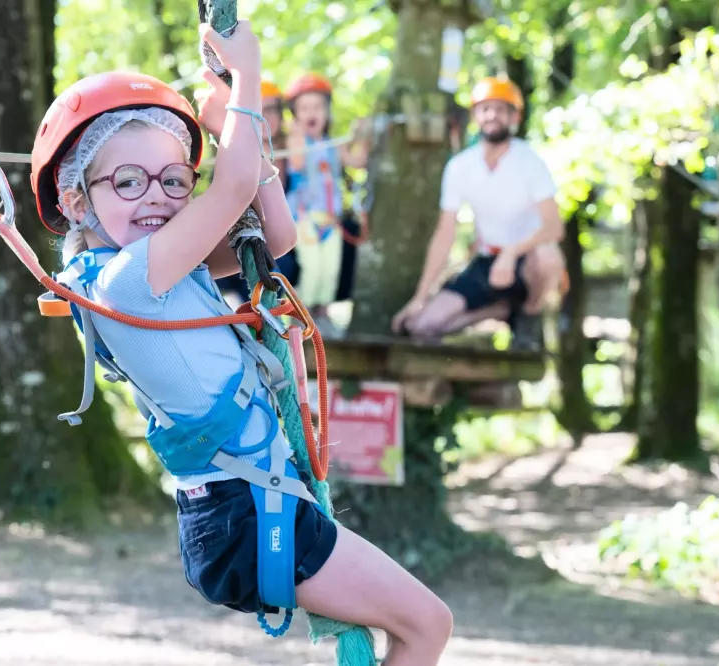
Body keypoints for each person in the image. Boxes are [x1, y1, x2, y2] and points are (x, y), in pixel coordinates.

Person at [28, 21, 452, 665]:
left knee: (423, 625)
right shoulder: (126, 283)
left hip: (254, 503)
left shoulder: (162, 270)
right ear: (76, 200)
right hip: (246, 510)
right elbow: (229, 190)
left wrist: (243, 127)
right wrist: (247, 81)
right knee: (426, 625)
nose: (156, 198)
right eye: (129, 181)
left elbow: (273, 236)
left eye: (174, 180)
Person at [391, 77, 565, 349]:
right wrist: (420, 297)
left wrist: (512, 252)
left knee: (548, 256)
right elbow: (445, 234)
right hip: (487, 262)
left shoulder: (530, 162)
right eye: (485, 108)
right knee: (421, 326)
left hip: (526, 263)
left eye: (501, 109)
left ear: (514, 117)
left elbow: (554, 227)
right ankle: (499, 311)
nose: (492, 115)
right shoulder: (461, 166)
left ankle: (529, 316)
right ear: (475, 115)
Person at [284, 72, 369, 336]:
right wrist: (297, 133)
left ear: (327, 111)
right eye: (305, 108)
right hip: (305, 218)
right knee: (311, 268)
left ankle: (323, 314)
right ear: (295, 113)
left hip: (331, 220)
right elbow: (297, 162)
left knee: (330, 269)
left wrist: (362, 136)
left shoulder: (334, 144)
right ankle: (300, 317)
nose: (312, 112)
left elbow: (357, 162)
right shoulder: (297, 142)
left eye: (318, 106)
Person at [215, 79, 297, 301]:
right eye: (259, 110)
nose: (265, 116)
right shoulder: (230, 154)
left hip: (295, 237)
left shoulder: (295, 151)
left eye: (271, 109)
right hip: (251, 237)